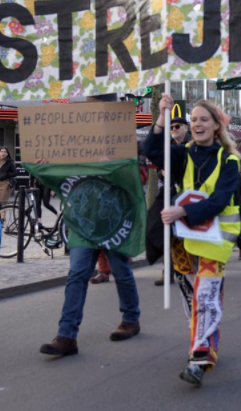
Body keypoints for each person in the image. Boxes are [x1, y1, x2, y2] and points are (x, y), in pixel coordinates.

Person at [145, 94, 241, 385]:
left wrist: (182, 211)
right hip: (184, 240)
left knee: (206, 295)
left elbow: (221, 200)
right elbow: (152, 151)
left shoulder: (231, 159)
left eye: (204, 119)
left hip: (216, 239)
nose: (197, 124)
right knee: (193, 298)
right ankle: (204, 338)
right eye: (194, 120)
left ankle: (199, 358)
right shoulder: (182, 152)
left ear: (216, 126)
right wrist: (161, 118)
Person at [40, 94, 140, 358]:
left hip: (113, 221)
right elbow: (59, 170)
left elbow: (136, 175)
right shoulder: (72, 143)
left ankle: (131, 319)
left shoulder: (119, 141)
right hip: (84, 223)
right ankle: (66, 336)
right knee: (77, 274)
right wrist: (43, 164)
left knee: (121, 270)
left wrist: (116, 168)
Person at [151, 115, 191, 286]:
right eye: (171, 127)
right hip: (169, 194)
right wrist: (162, 173)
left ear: (186, 128)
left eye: (177, 126)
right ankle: (167, 272)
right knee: (166, 233)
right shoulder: (167, 147)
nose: (173, 129)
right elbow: (158, 168)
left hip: (189, 197)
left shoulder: (193, 145)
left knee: (185, 235)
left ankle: (188, 269)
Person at [0, 146, 17, 213]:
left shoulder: (10, 162)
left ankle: (2, 219)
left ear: (7, 154)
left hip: (6, 183)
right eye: (1, 151)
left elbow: (15, 173)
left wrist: (6, 174)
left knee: (2, 202)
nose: (3, 153)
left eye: (5, 152)